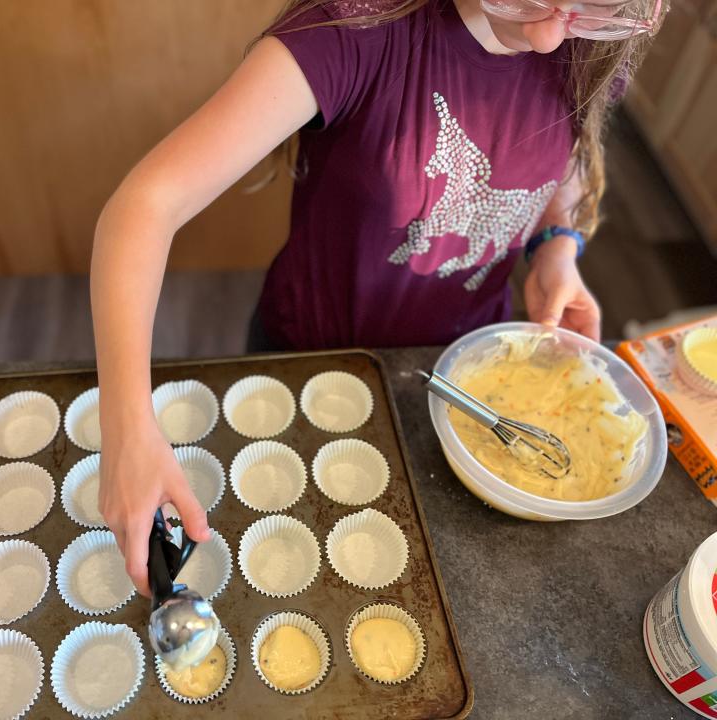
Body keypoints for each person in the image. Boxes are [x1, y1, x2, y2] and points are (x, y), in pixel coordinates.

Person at [90, 0, 666, 595]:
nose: (549, 37)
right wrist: (128, 426)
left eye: (586, 10)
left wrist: (556, 246)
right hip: (310, 367)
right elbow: (144, 208)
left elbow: (562, 143)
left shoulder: (588, 40)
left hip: (466, 385)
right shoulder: (358, 31)